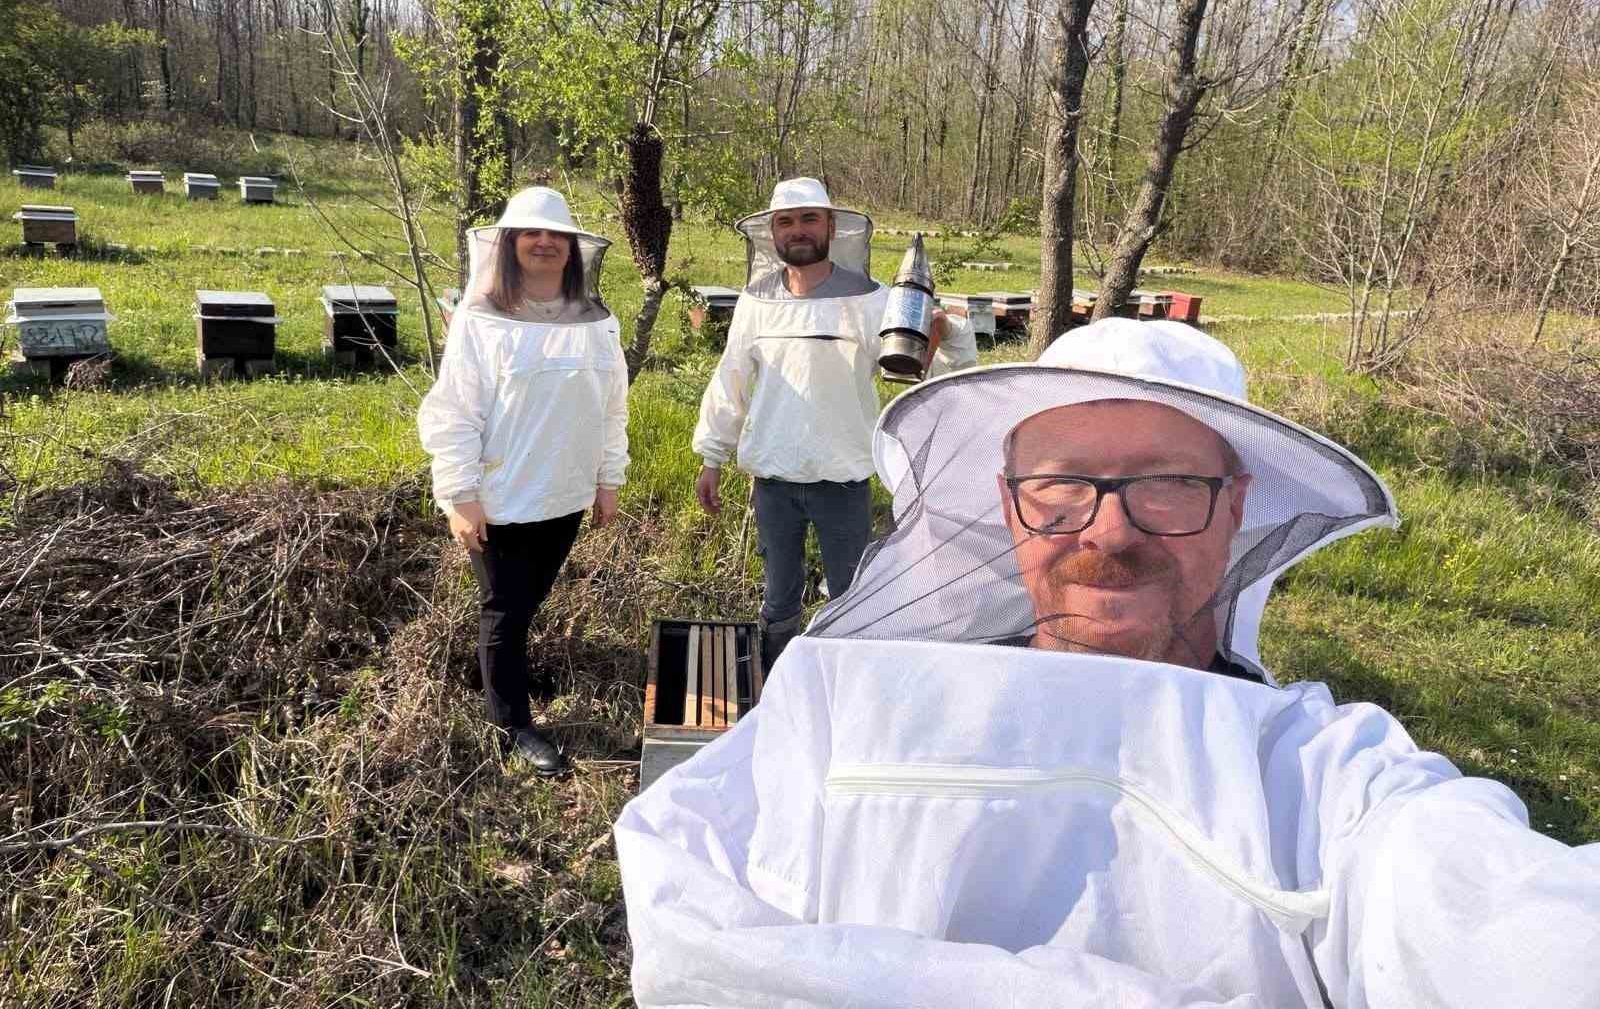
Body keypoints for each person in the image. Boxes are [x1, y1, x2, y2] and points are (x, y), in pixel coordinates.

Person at [616, 319, 1600, 1007]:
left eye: (1167, 485)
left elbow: (1489, 909)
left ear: (1237, 505)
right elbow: (685, 929)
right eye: (1062, 489)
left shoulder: (1320, 779)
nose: (1110, 531)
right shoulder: (853, 709)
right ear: (1010, 507)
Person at [691, 176, 976, 670]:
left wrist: (946, 331)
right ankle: (775, 683)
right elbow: (730, 381)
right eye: (786, 221)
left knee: (849, 593)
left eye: (808, 219)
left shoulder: (872, 300)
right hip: (774, 480)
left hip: (843, 480)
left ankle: (842, 686)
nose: (797, 230)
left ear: (830, 227)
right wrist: (712, 457)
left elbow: (928, 370)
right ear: (772, 232)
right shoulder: (755, 303)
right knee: (779, 596)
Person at [417, 186, 628, 777]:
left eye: (555, 234)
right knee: (504, 610)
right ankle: (510, 722)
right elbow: (455, 410)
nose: (544, 242)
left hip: (566, 495)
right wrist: (460, 495)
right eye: (531, 233)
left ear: (572, 249)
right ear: (508, 247)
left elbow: (612, 406)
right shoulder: (480, 320)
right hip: (502, 497)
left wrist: (608, 478)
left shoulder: (597, 321)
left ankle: (500, 676)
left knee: (526, 603)